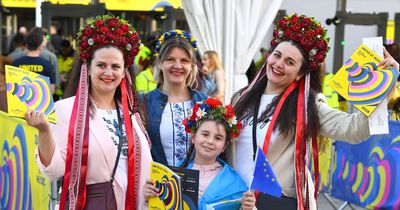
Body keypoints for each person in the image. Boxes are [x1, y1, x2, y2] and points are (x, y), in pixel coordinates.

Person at [230, 14, 399, 210]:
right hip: (235, 199)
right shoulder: (241, 98)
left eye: (290, 62)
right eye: (276, 55)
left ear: (300, 73)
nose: (279, 64)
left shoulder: (308, 105)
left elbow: (353, 129)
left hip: (273, 201)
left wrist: (383, 91)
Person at [25, 15, 152, 210]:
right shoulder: (65, 109)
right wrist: (44, 130)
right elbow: (54, 170)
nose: (109, 73)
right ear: (89, 69)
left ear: (124, 72)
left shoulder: (132, 114)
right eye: (101, 65)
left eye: (115, 66)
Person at [144, 98, 256, 210]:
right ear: (193, 137)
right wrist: (149, 196)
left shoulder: (234, 183)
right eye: (205, 134)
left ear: (224, 147)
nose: (210, 141)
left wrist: (247, 207)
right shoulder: (173, 175)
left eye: (218, 138)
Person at [140, 29, 208, 167]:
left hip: (200, 185)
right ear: (159, 63)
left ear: (192, 65)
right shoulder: (143, 102)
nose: (177, 66)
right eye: (170, 59)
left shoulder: (205, 102)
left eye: (184, 61)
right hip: (157, 185)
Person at [12, 28, 56, 93]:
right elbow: (52, 89)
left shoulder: (16, 63)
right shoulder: (47, 64)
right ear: (41, 46)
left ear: (26, 46)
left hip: (20, 101)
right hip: (41, 102)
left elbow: (12, 87)